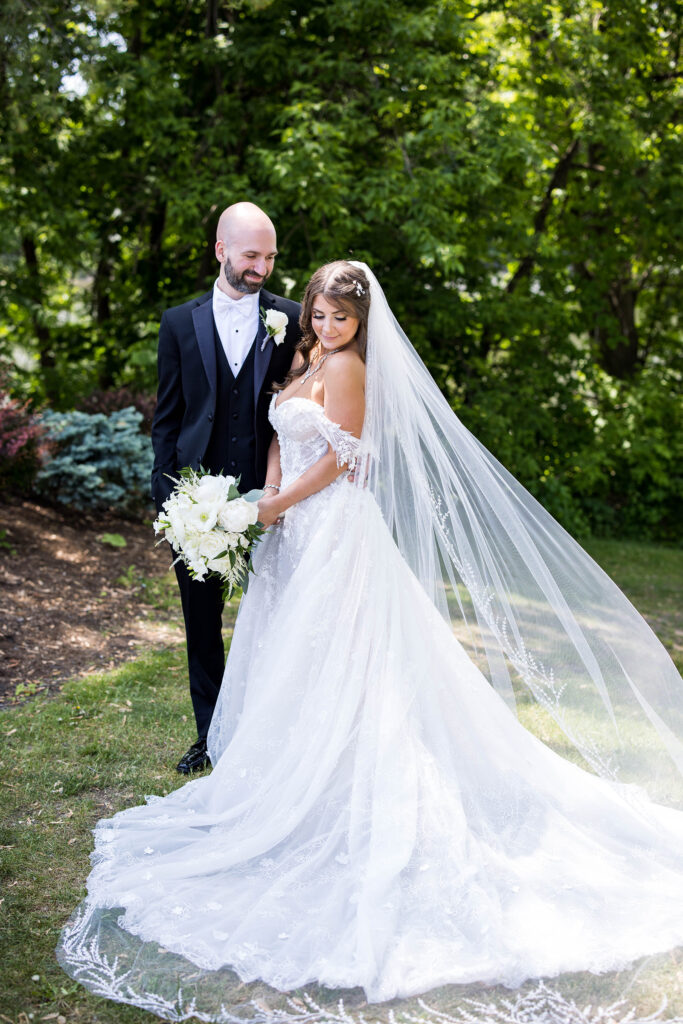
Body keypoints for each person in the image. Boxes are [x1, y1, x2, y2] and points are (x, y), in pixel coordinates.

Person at [59, 261, 683, 1021]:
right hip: (289, 533)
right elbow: (282, 435)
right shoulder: (303, 359)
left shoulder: (348, 369)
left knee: (338, 664)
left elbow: (342, 457)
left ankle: (342, 789)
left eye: (338, 320)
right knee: (287, 660)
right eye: (317, 316)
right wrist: (262, 496)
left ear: (360, 324)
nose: (325, 329)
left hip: (333, 535)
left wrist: (279, 504)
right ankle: (282, 775)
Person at [150, 202, 301, 774]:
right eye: (250, 255)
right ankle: (210, 736)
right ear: (220, 250)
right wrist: (167, 502)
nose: (261, 267)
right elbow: (168, 420)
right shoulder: (177, 323)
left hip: (274, 496)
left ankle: (273, 733)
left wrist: (285, 488)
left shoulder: (289, 319)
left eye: (269, 257)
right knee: (202, 622)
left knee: (281, 614)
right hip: (198, 500)